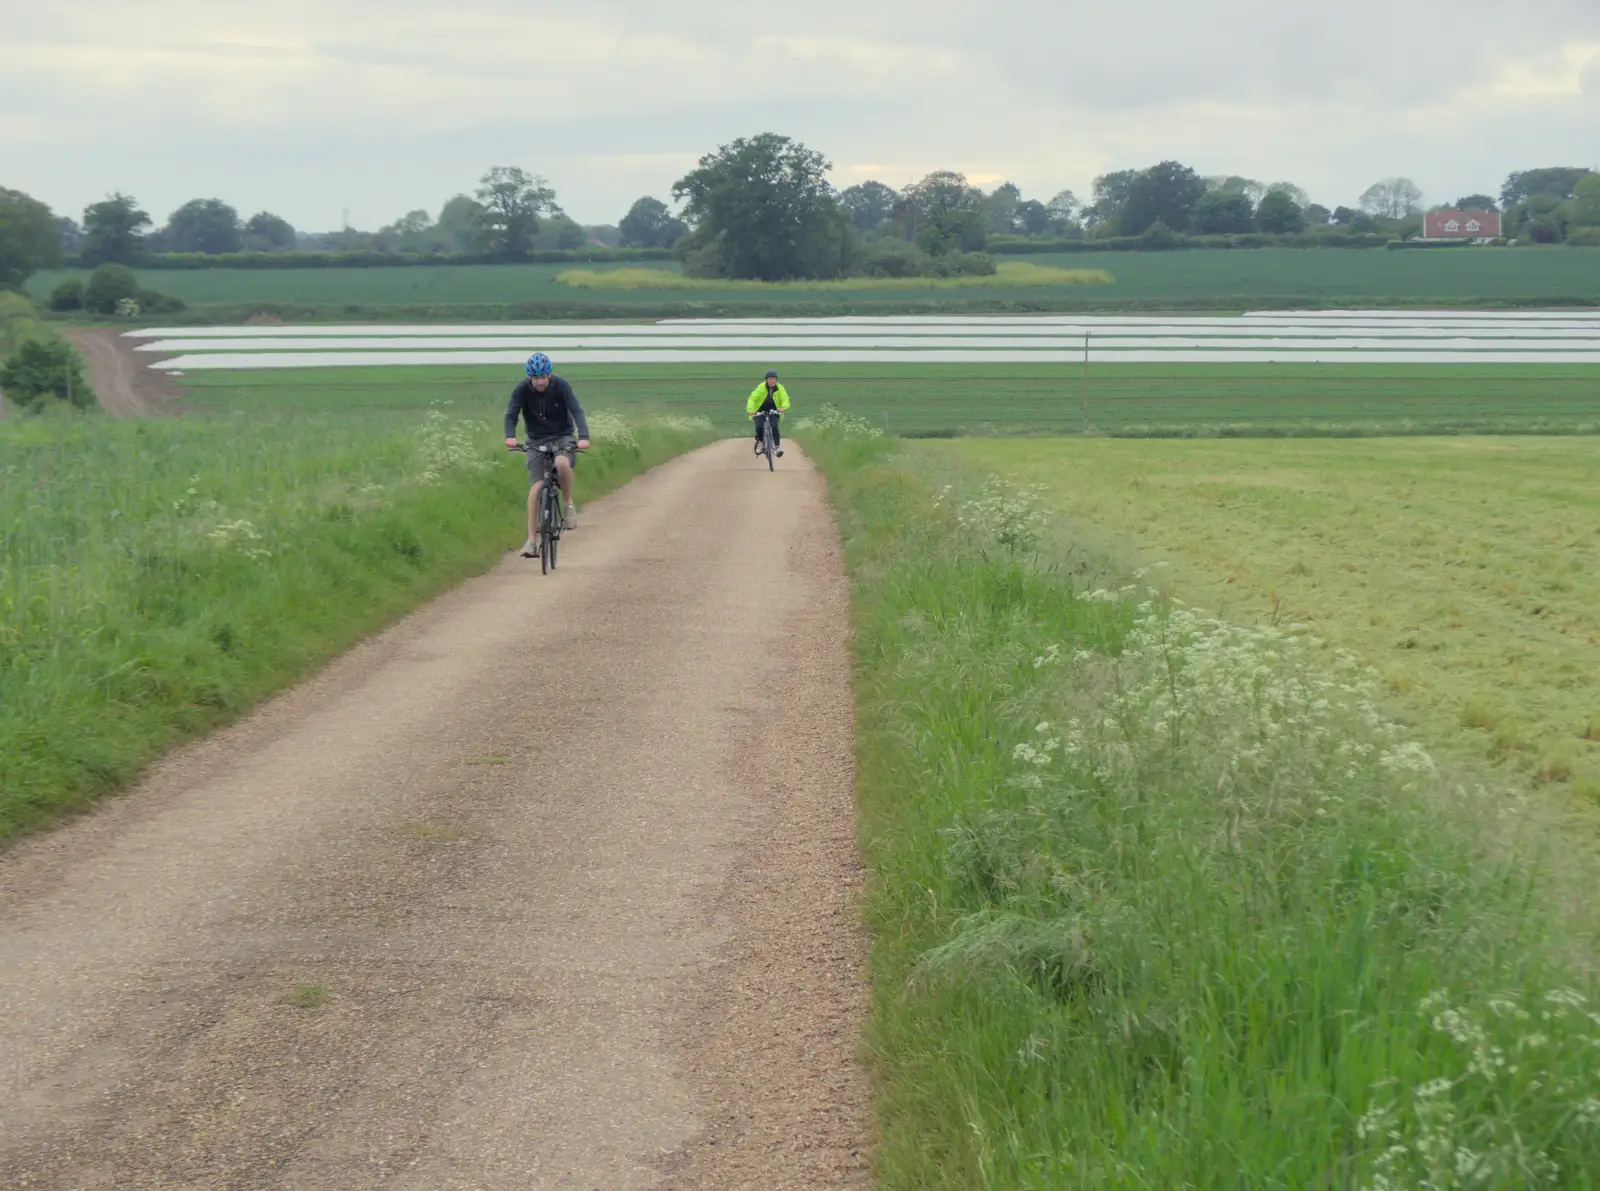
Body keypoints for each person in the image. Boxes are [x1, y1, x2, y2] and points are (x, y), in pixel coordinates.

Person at [504, 352, 590, 556]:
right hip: (536, 440)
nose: (540, 382)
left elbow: (577, 410)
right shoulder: (521, 390)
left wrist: (584, 436)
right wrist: (510, 436)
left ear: (549, 376)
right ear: (529, 378)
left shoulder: (561, 386)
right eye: (536, 378)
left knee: (561, 463)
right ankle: (532, 541)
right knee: (536, 488)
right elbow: (511, 414)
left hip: (562, 436)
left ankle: (568, 504)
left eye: (543, 377)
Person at [746, 369, 789, 458]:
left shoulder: (780, 388)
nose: (772, 381)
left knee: (774, 426)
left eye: (773, 379)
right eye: (769, 379)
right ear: (766, 380)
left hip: (774, 410)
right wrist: (751, 410)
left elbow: (785, 399)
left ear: (776, 379)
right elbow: (752, 399)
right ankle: (761, 443)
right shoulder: (761, 388)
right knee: (759, 426)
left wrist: (783, 407)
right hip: (759, 410)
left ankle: (776, 448)